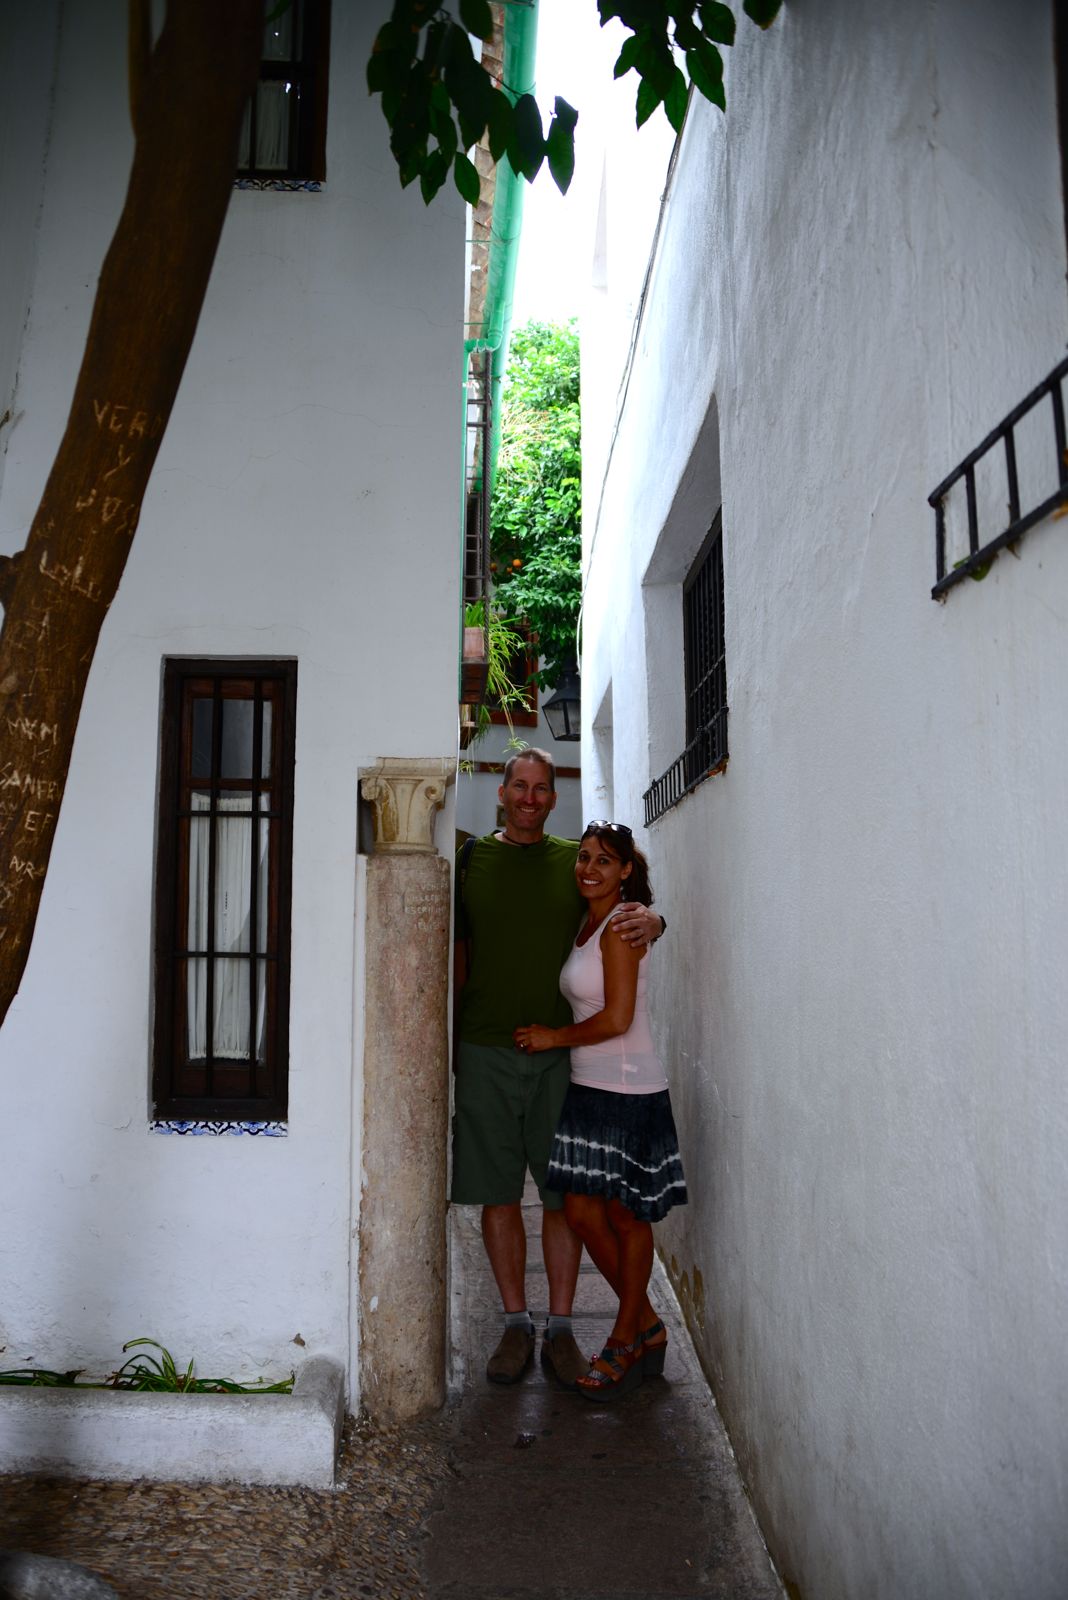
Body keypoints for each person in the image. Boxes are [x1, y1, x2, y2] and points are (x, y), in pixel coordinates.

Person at [453, 752, 664, 1388]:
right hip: (485, 1049)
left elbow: (623, 909)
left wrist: (657, 918)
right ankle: (516, 1325)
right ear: (501, 792)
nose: (529, 797)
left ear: (552, 799)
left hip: (558, 1060)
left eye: (541, 789)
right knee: (496, 1195)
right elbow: (458, 952)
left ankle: (563, 1331)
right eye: (519, 785)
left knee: (562, 1202)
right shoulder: (469, 862)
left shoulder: (575, 864)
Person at [514, 821, 686, 1403]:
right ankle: (646, 1326)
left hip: (627, 1086)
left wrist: (551, 1038)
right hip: (590, 1087)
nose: (588, 868)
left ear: (627, 871)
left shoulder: (621, 926)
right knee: (584, 1212)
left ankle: (623, 1338)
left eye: (604, 861)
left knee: (627, 1218)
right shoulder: (590, 921)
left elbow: (616, 1019)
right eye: (584, 857)